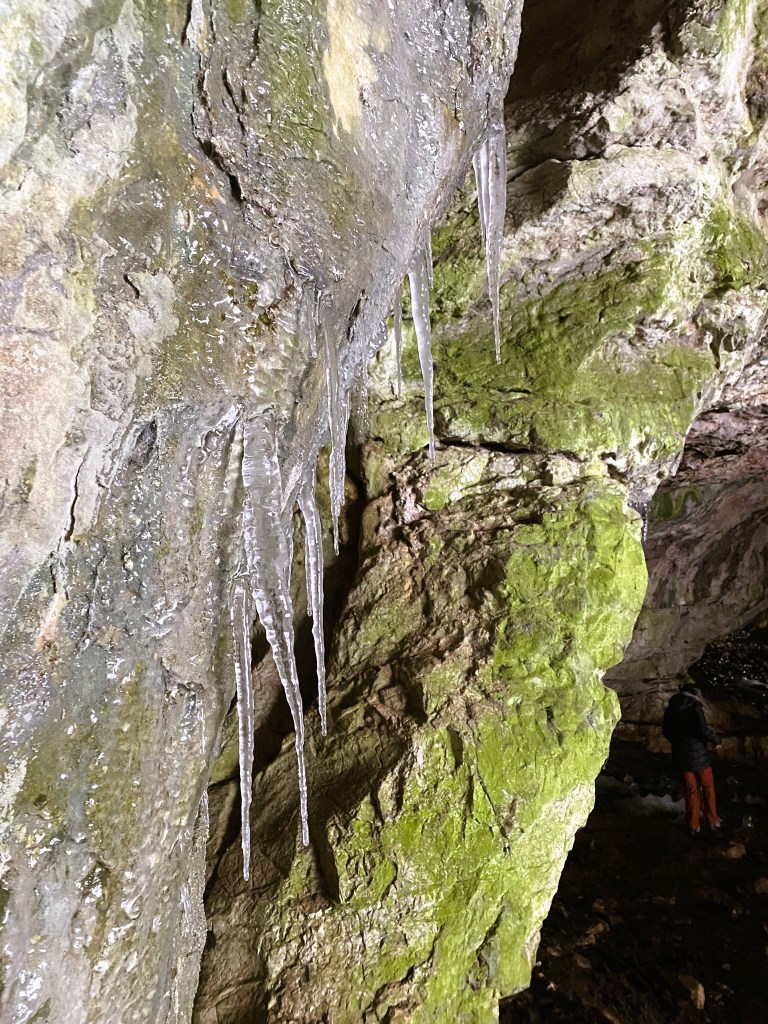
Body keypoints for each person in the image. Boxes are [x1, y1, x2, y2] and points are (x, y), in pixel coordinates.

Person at [662, 682, 722, 835]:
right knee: (708, 786)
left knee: (691, 790)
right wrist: (716, 740)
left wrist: (678, 743)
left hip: (681, 755)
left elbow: (666, 731)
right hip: (699, 755)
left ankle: (693, 825)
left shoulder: (672, 707)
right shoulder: (695, 707)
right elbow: (702, 730)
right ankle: (713, 821)